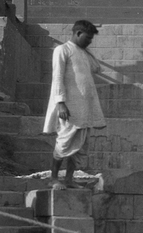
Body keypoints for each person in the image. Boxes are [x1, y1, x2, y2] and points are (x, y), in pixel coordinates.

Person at [42, 19, 105, 189]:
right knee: (64, 143)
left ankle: (69, 179)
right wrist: (60, 103)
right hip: (69, 108)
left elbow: (97, 67)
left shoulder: (84, 53)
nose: (90, 41)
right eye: (88, 38)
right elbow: (57, 78)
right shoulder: (62, 50)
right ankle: (54, 179)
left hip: (84, 109)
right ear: (78, 33)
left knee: (78, 148)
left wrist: (86, 48)